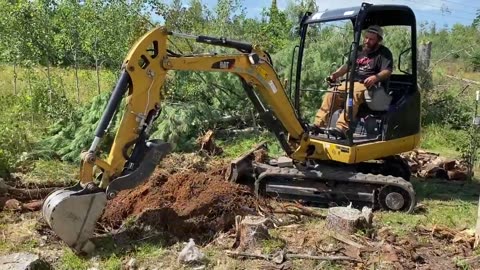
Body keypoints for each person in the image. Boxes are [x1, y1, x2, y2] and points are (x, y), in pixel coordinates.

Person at [313, 25, 394, 139]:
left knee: (353, 92)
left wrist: (375, 77)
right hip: (351, 82)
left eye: (371, 39)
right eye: (366, 38)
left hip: (371, 86)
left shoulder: (384, 53)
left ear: (378, 40)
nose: (367, 41)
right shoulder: (359, 50)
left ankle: (341, 128)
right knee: (332, 91)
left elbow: (387, 71)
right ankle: (317, 124)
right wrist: (335, 75)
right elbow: (347, 66)